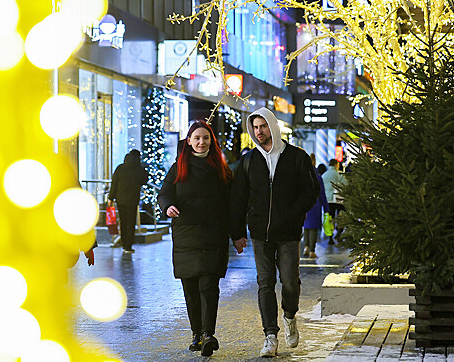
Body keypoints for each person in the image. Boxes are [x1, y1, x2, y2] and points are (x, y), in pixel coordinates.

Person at [230, 107, 317, 358]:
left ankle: (290, 315)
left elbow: (309, 192)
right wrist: (237, 232)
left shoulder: (297, 157)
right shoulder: (248, 161)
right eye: (255, 128)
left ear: (273, 127)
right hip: (259, 234)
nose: (259, 132)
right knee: (265, 283)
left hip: (288, 233)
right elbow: (238, 198)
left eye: (263, 126)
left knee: (290, 282)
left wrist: (292, 213)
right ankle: (270, 335)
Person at [158, 121, 233, 357]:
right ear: (189, 141)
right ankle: (196, 334)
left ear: (212, 141)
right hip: (185, 236)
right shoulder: (178, 168)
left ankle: (208, 334)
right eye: (197, 138)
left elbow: (231, 203)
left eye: (206, 138)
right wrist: (167, 206)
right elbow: (164, 193)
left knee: (209, 286)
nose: (202, 142)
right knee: (190, 287)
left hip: (213, 235)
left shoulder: (221, 169)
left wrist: (238, 233)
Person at [108, 149, 148, 254]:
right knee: (131, 222)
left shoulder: (120, 168)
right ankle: (128, 245)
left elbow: (114, 183)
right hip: (133, 200)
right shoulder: (138, 169)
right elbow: (145, 179)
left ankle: (123, 242)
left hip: (120, 199)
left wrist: (111, 197)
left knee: (123, 221)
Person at [302, 164, 329, 258]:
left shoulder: (302, 176)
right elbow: (322, 194)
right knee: (313, 228)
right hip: (315, 205)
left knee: (306, 226)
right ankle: (312, 250)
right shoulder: (318, 177)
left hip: (304, 204)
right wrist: (326, 208)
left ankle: (306, 247)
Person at [321, 159, 347, 245]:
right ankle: (339, 233)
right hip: (339, 200)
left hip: (328, 200)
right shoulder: (339, 175)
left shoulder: (324, 175)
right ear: (336, 165)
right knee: (340, 217)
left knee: (330, 219)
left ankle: (330, 237)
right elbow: (346, 185)